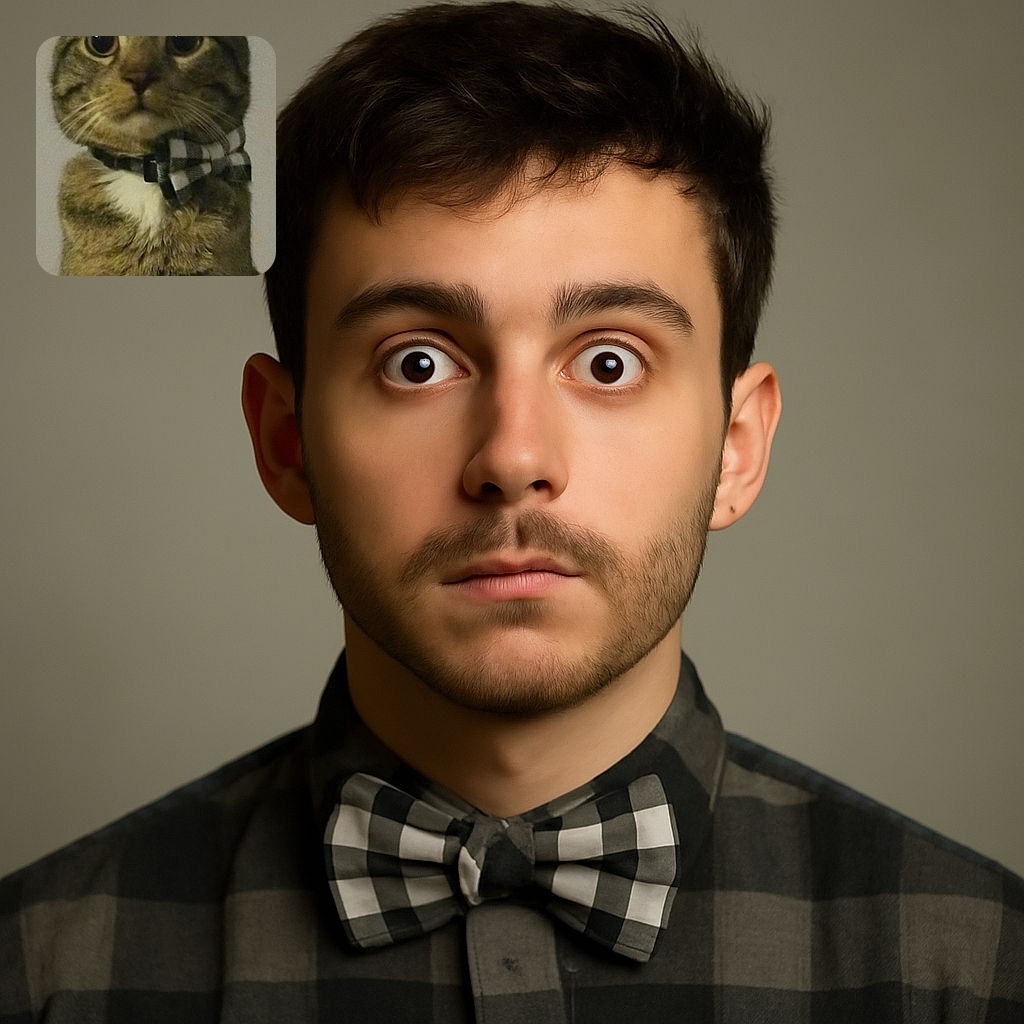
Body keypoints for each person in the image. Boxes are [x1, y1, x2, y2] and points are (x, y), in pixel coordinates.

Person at [2, 4, 1021, 1022]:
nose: (512, 458)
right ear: (286, 441)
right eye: (418, 362)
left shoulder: (977, 972)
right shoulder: (43, 973)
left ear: (737, 447)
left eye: (609, 362)